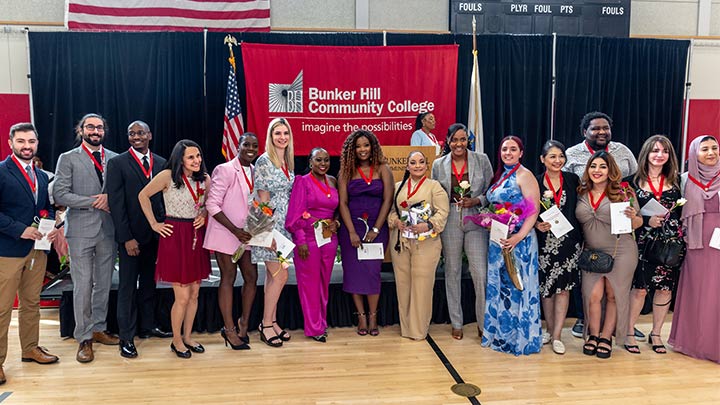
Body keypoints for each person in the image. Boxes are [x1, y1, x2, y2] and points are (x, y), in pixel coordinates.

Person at [564, 111, 639, 340]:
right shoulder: (572, 157)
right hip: (587, 232)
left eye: (605, 127)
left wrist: (631, 214)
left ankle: (611, 332)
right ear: (584, 131)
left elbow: (634, 171)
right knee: (591, 292)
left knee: (615, 292)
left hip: (618, 235)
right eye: (595, 128)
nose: (601, 132)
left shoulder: (622, 153)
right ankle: (586, 323)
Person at [54, 113, 119, 363]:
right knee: (83, 285)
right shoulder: (68, 158)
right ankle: (83, 337)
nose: (95, 131)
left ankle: (99, 328)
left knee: (103, 283)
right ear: (81, 130)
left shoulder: (114, 158)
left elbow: (118, 192)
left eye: (99, 127)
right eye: (90, 127)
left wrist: (109, 200)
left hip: (108, 230)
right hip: (80, 229)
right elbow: (61, 194)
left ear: (104, 131)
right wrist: (96, 201)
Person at [138, 140, 210, 359]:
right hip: (175, 234)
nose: (196, 160)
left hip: (196, 235)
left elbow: (207, 204)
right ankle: (176, 340)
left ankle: (188, 337)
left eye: (198, 156)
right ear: (180, 159)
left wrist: (204, 215)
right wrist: (154, 224)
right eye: (190, 157)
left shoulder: (205, 179)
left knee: (195, 293)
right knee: (182, 296)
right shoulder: (167, 176)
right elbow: (143, 196)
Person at [0, 123, 60, 385]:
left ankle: (30, 348)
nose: (27, 146)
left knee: (31, 303)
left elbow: (44, 207)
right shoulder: (2, 172)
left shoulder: (42, 175)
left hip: (38, 250)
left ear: (37, 143)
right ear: (11, 143)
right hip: (8, 250)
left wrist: (52, 225)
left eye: (31, 141)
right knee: (2, 309)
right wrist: (19, 230)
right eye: (22, 141)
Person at [106, 121, 171, 359]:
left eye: (140, 133)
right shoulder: (117, 163)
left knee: (148, 284)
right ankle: (126, 337)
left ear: (149, 135)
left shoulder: (163, 163)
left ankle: (148, 325)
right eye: (131, 133)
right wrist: (126, 238)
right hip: (131, 238)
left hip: (156, 236)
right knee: (126, 287)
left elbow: (164, 201)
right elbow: (116, 204)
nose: (136, 137)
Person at [576, 151, 642, 359]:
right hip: (592, 253)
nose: (597, 170)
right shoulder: (581, 191)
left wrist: (633, 217)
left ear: (610, 170)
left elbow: (638, 223)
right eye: (593, 166)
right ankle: (593, 335)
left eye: (602, 166)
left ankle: (606, 337)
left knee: (614, 295)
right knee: (593, 296)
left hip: (621, 250)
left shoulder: (624, 191)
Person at [480, 136, 542, 355]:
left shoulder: (525, 175)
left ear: (521, 153)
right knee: (501, 287)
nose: (508, 152)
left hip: (519, 242)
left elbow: (532, 211)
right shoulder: (501, 176)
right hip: (499, 240)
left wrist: (518, 237)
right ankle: (500, 335)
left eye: (513, 149)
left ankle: (519, 339)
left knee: (518, 286)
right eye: (504, 149)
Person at [430, 123, 493, 340]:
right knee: (453, 271)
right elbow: (435, 193)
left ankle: (484, 324)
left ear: (468, 140)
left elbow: (490, 190)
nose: (459, 144)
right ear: (448, 142)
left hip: (475, 219)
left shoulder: (481, 160)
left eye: (463, 139)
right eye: (454, 140)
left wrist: (477, 199)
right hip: (449, 221)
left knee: (479, 272)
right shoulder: (438, 165)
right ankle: (456, 322)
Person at [625, 135, 685, 354]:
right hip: (642, 244)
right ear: (646, 154)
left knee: (664, 289)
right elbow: (625, 217)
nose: (660, 155)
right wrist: (645, 221)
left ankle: (657, 333)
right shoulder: (631, 182)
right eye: (655, 151)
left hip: (670, 246)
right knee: (639, 290)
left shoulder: (678, 182)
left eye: (665, 151)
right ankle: (629, 332)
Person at [203, 133, 259, 350]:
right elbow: (212, 205)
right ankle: (228, 329)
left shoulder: (256, 171)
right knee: (228, 277)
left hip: (247, 236)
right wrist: (235, 230)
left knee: (252, 277)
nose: (251, 149)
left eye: (255, 145)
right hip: (227, 233)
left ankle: (244, 322)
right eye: (247, 144)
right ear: (238, 146)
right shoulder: (225, 169)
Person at [669, 135, 720, 364]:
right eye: (704, 149)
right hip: (696, 245)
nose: (710, 153)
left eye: (714, 148)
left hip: (718, 243)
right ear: (694, 154)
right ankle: (693, 341)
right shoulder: (684, 180)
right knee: (697, 292)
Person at [387, 151, 449, 340]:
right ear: (407, 166)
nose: (417, 166)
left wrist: (428, 224)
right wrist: (396, 221)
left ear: (426, 165)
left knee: (422, 286)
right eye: (413, 163)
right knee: (403, 284)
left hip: (426, 243)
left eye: (421, 162)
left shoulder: (435, 187)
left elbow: (442, 213)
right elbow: (391, 213)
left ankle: (418, 330)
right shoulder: (398, 187)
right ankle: (406, 328)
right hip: (401, 242)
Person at [338, 129, 393, 336]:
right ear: (352, 149)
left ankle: (373, 316)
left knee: (372, 272)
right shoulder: (345, 170)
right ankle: (361, 316)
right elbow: (342, 203)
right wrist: (351, 232)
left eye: (366, 145)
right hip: (352, 228)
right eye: (358, 146)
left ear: (373, 147)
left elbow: (388, 200)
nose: (363, 149)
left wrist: (377, 229)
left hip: (377, 228)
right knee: (353, 272)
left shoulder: (383, 168)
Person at [285, 147, 340, 342]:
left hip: (328, 238)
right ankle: (314, 327)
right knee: (309, 284)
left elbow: (336, 210)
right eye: (318, 160)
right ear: (310, 162)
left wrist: (337, 222)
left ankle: (321, 322)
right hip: (308, 239)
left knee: (324, 283)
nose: (323, 163)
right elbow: (294, 214)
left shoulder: (332, 181)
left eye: (326, 160)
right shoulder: (303, 181)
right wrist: (300, 241)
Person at [534, 140, 582, 355]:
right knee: (546, 289)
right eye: (552, 156)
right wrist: (536, 225)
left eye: (561, 156)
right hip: (545, 244)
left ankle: (557, 335)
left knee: (563, 290)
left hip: (569, 243)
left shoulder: (572, 180)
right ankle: (549, 329)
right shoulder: (535, 182)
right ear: (542, 159)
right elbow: (529, 212)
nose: (557, 160)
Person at [252, 118, 295, 348]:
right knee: (281, 275)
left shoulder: (286, 161)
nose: (282, 137)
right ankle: (266, 324)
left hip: (284, 228)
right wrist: (268, 235)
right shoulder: (264, 161)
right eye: (277, 133)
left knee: (272, 277)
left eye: (285, 133)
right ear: (270, 136)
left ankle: (272, 321)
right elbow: (263, 200)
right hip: (269, 227)